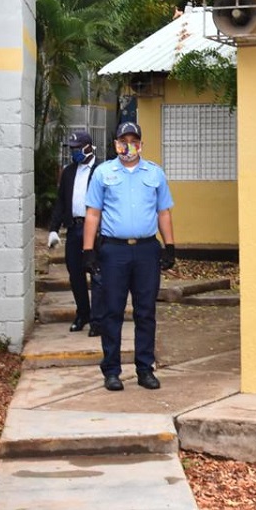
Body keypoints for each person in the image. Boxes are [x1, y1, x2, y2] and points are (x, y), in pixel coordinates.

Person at [82, 121, 176, 392]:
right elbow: (93, 213)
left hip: (147, 250)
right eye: (123, 141)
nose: (128, 146)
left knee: (146, 312)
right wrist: (88, 251)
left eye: (133, 140)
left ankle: (145, 369)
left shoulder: (155, 173)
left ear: (141, 144)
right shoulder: (103, 173)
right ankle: (111, 371)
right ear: (116, 144)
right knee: (112, 311)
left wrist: (170, 246)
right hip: (114, 251)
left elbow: (164, 212)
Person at [47, 130, 102, 335]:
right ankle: (83, 314)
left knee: (97, 275)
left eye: (78, 148)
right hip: (74, 228)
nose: (75, 152)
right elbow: (61, 202)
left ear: (89, 147)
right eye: (72, 149)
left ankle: (97, 320)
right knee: (75, 275)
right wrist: (54, 229)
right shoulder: (69, 171)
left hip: (96, 230)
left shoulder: (100, 171)